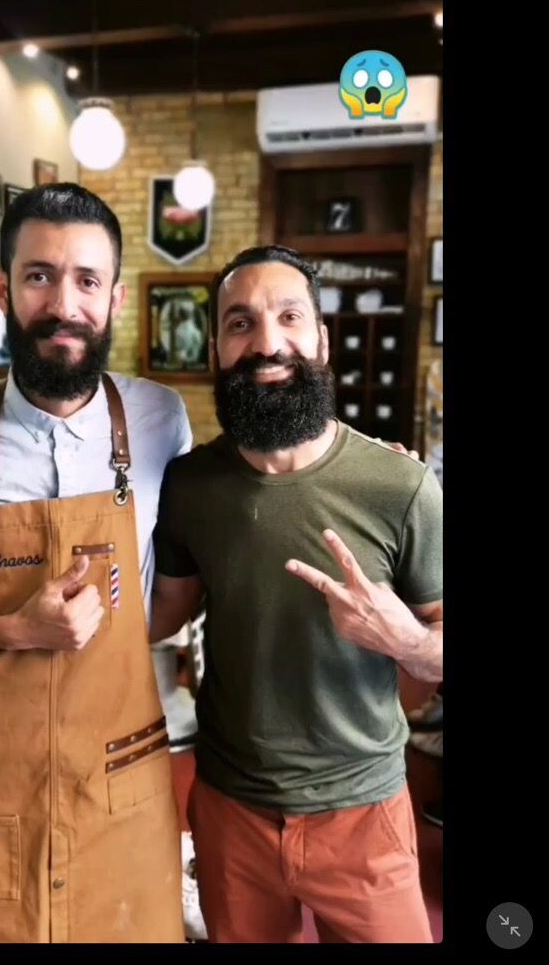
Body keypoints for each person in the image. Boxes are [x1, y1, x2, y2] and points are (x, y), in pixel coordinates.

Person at [0, 183, 191, 944]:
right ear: (3, 289)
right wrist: (17, 631)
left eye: (87, 280)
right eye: (40, 276)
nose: (64, 304)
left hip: (118, 786)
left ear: (115, 298)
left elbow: (206, 541)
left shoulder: (162, 421)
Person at [151, 245, 443, 944]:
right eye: (241, 323)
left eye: (289, 317)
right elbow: (160, 615)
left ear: (321, 340)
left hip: (364, 812)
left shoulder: (400, 486)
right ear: (217, 350)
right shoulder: (190, 486)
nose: (267, 343)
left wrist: (405, 639)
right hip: (231, 809)